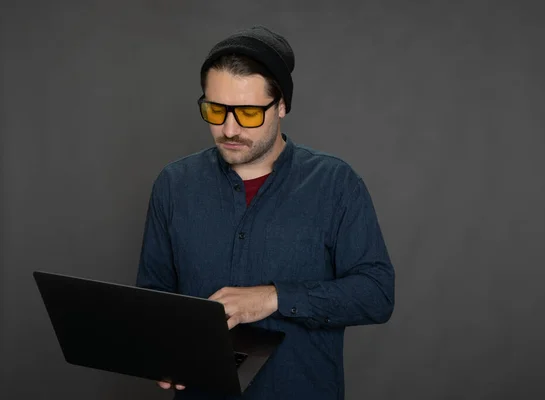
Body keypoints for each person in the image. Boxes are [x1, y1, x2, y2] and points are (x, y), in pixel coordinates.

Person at [135, 25, 395, 400]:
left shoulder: (336, 183)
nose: (229, 128)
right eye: (215, 110)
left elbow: (377, 294)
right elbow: (155, 296)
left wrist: (273, 298)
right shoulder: (174, 184)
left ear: (282, 106)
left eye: (249, 114)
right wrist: (160, 351)